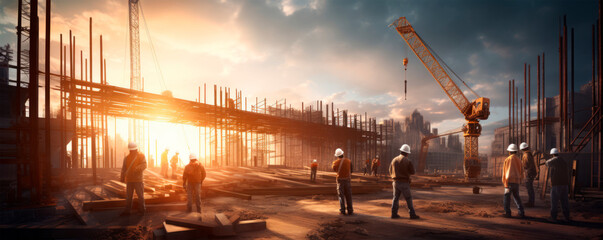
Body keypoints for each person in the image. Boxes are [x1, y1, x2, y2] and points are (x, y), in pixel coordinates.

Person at [390, 144, 420, 219]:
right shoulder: (408, 161)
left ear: (401, 151)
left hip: (395, 182)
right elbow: (412, 172)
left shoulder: (394, 159)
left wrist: (394, 177)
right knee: (408, 198)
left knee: (395, 198)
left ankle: (394, 214)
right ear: (407, 153)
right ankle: (412, 214)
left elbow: (390, 170)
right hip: (404, 183)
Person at [120, 142, 147, 215]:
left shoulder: (141, 156)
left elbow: (144, 165)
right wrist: (122, 177)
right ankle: (127, 211)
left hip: (138, 180)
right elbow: (124, 168)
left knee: (140, 196)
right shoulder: (126, 158)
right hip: (130, 180)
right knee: (129, 197)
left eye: (133, 150)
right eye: (131, 150)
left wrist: (137, 168)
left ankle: (142, 210)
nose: (132, 151)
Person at [546, 148, 571, 222]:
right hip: (565, 184)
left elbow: (547, 163)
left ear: (553, 155)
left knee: (554, 201)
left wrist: (552, 159)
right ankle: (567, 217)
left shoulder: (554, 160)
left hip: (556, 184)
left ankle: (553, 217)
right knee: (565, 201)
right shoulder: (563, 161)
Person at [502, 144, 525, 218]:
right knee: (516, 197)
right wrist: (520, 180)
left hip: (509, 182)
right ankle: (521, 212)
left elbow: (504, 172)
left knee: (506, 197)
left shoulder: (507, 159)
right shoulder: (519, 160)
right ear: (516, 151)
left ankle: (507, 213)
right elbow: (522, 172)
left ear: (509, 152)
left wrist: (505, 183)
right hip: (516, 182)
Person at [332, 148, 353, 215]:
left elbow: (334, 170)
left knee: (341, 196)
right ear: (343, 154)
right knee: (348, 195)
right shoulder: (349, 161)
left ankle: (342, 210)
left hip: (340, 181)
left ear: (337, 156)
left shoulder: (335, 163)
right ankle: (350, 210)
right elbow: (352, 170)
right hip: (347, 180)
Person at [520, 142, 537, 207]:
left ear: (522, 149)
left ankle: (531, 202)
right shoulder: (528, 154)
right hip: (530, 172)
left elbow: (527, 165)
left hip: (529, 173)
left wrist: (527, 173)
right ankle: (531, 201)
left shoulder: (526, 155)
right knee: (530, 188)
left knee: (529, 188)